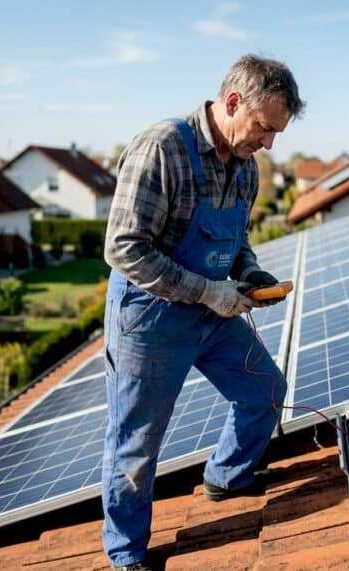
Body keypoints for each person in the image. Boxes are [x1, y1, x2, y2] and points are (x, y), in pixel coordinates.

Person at [100, 54, 305, 570]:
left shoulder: (246, 168)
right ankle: (126, 555)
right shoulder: (162, 149)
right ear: (233, 102)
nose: (269, 143)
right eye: (264, 127)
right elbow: (125, 249)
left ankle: (225, 477)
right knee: (136, 445)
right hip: (150, 319)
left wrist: (251, 273)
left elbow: (238, 241)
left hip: (210, 312)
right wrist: (208, 292)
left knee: (265, 392)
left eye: (277, 132)